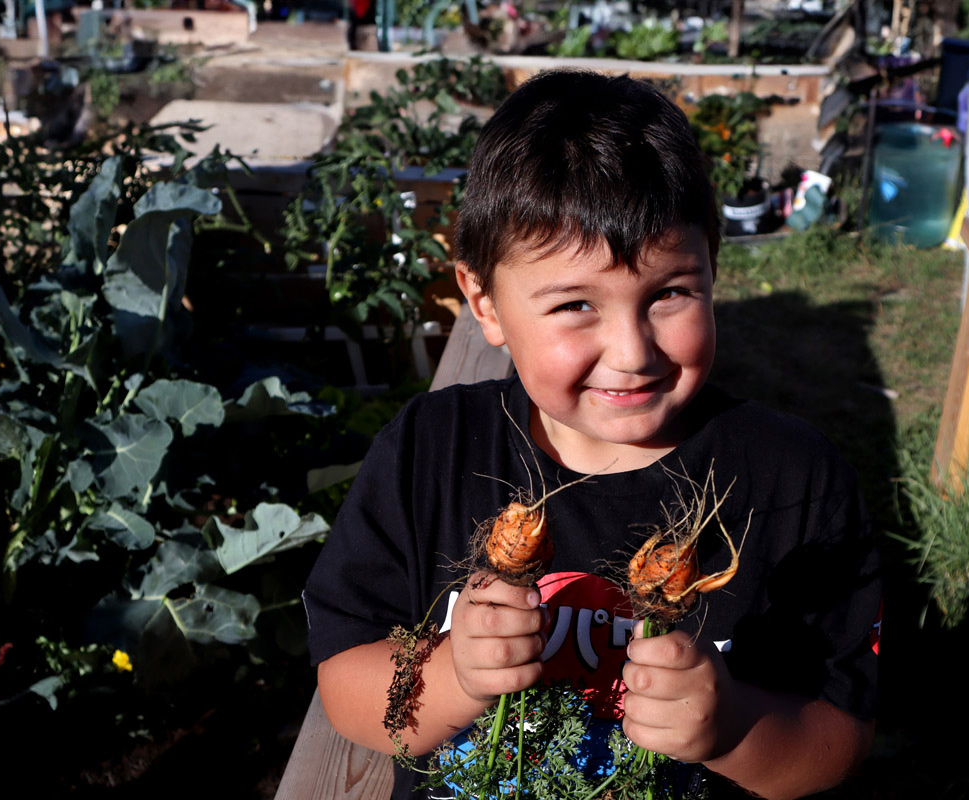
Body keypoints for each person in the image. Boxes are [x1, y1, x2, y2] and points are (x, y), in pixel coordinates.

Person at [303, 70, 881, 800]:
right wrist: (450, 677)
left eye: (670, 292)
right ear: (483, 302)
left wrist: (730, 728)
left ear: (712, 269)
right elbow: (346, 685)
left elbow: (835, 739)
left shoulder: (795, 482)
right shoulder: (430, 452)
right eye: (576, 304)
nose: (633, 351)